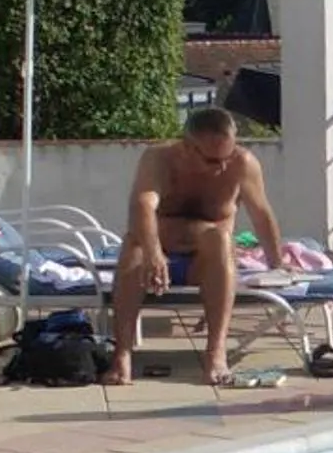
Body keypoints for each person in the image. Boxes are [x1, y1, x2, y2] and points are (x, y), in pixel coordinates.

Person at [107, 106, 284, 386]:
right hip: (156, 255)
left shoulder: (242, 164)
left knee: (220, 238)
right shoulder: (159, 159)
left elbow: (261, 214)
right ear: (187, 147)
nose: (222, 166)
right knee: (134, 245)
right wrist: (154, 253)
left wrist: (279, 267)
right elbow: (142, 205)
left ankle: (215, 353)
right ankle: (122, 355)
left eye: (227, 155)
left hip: (207, 262)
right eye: (213, 160)